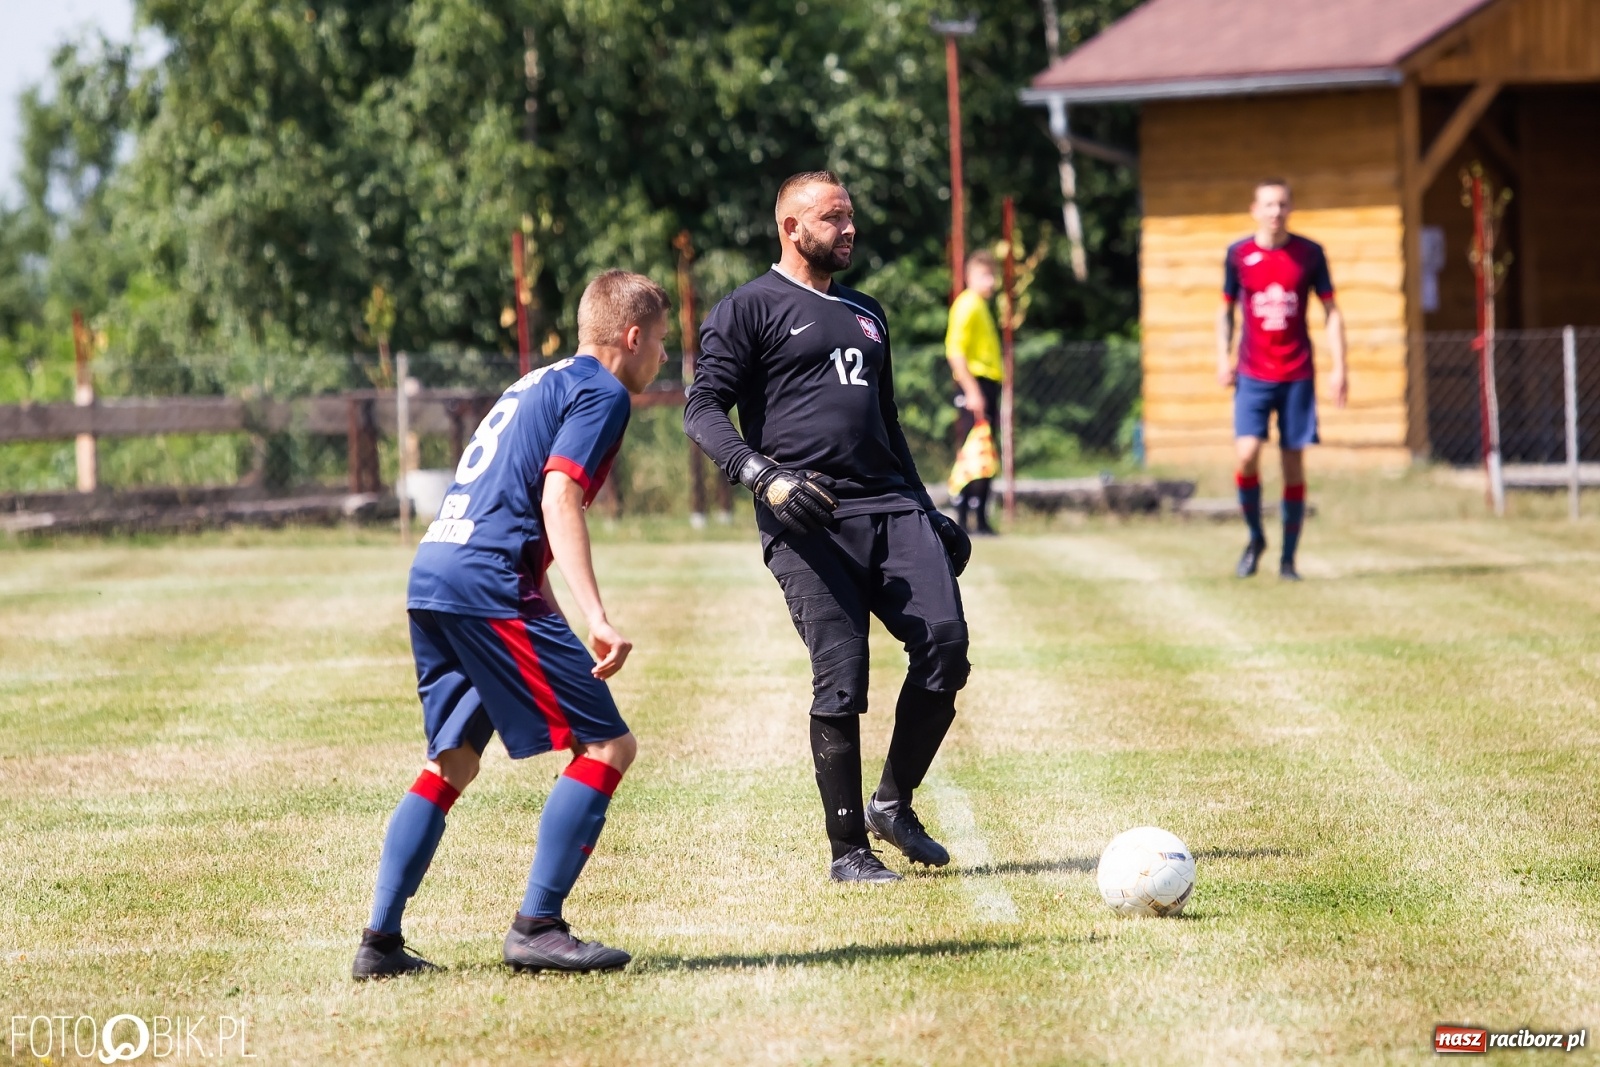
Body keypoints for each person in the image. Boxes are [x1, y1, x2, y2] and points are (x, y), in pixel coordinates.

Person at [352, 270, 670, 979]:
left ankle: (379, 942)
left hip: (437, 567)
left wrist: (550, 606)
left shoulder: (536, 382)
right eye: (664, 343)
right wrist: (597, 616)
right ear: (633, 336)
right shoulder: (603, 391)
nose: (663, 359)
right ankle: (538, 925)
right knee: (608, 745)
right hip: (487, 580)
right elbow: (560, 496)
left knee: (453, 760)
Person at [684, 171, 973, 883]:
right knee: (842, 677)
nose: (849, 229)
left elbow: (889, 424)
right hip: (806, 515)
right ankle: (849, 850)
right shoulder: (747, 308)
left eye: (850, 217)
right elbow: (702, 410)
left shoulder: (869, 313)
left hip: (891, 507)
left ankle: (892, 803)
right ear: (791, 227)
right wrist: (765, 478)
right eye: (832, 218)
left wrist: (926, 506)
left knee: (946, 645)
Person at [1216, 178, 1347, 581]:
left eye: (1283, 204)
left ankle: (1288, 561)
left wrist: (1340, 366)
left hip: (1296, 375)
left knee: (1293, 466)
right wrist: (1222, 356)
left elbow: (1332, 311)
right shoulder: (1238, 255)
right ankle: (1256, 537)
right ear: (1254, 209)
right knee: (1246, 454)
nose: (1276, 212)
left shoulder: (1310, 254)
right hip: (1253, 374)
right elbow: (1224, 312)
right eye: (1269, 205)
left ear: (1290, 209)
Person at [945, 250, 1004, 535]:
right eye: (985, 275)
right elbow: (955, 352)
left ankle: (979, 517)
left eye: (993, 275)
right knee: (973, 451)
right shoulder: (967, 305)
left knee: (985, 451)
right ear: (970, 277)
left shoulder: (981, 306)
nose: (991, 281)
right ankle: (964, 516)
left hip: (986, 384)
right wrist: (973, 391)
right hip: (975, 385)